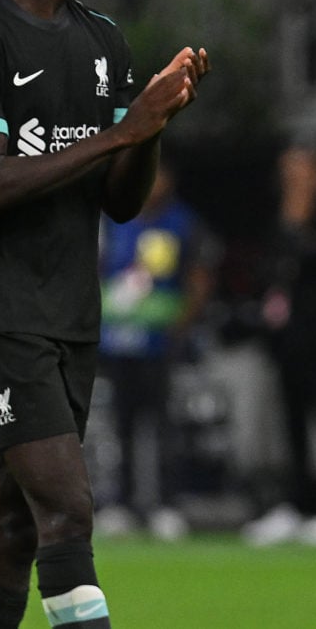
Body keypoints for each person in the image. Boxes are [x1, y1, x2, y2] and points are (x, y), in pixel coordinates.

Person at [0, 0, 209, 628]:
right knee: (69, 510)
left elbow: (119, 201)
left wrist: (151, 124)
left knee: (14, 534)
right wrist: (123, 130)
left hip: (71, 310)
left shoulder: (101, 40)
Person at [95, 160, 218, 541]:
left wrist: (180, 327)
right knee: (121, 426)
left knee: (163, 425)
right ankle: (121, 504)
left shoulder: (183, 223)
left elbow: (199, 279)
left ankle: (166, 504)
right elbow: (95, 270)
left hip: (160, 344)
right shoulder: (112, 220)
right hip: (117, 341)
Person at [242, 143, 316, 545]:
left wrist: (297, 221)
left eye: (301, 170)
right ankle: (300, 504)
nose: (293, 178)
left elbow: (311, 262)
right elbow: (269, 271)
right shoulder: (279, 218)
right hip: (285, 339)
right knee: (292, 423)